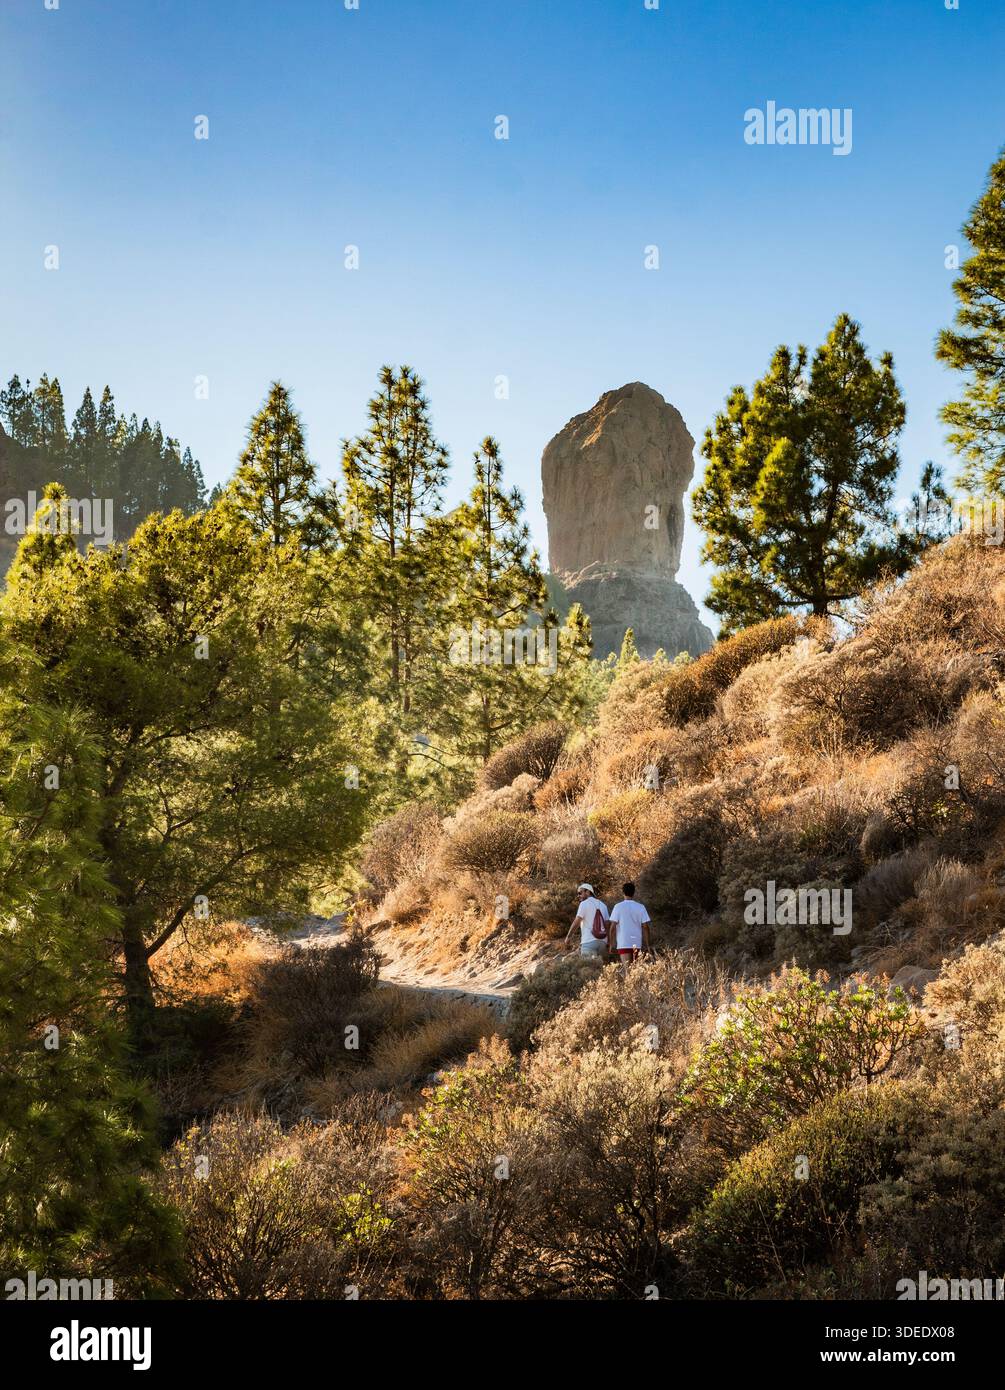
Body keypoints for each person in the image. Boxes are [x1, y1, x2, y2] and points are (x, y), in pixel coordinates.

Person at [564, 882, 610, 958]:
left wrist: (568, 937)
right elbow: (607, 924)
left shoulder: (584, 904)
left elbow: (577, 921)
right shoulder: (603, 905)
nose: (578, 896)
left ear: (588, 892)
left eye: (580, 893)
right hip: (603, 942)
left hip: (589, 941)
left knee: (588, 968)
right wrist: (609, 941)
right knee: (599, 968)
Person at [608, 881, 651, 963]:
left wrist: (611, 944)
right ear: (633, 893)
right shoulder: (641, 907)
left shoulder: (618, 907)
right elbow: (645, 927)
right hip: (636, 943)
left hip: (623, 942)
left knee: (627, 970)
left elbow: (612, 927)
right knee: (634, 971)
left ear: (623, 892)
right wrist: (648, 945)